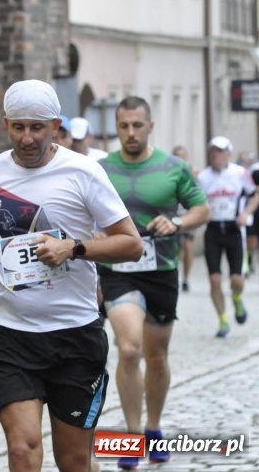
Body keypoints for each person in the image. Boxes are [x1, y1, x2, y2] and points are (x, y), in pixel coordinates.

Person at [0, 80, 143, 472]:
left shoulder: (83, 172)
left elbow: (131, 243)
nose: (27, 138)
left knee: (74, 461)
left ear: (55, 126)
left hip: (74, 334)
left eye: (37, 128)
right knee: (23, 450)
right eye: (18, 127)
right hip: (13, 336)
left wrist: (73, 247)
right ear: (6, 124)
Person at [97, 97, 210, 470]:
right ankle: (129, 439)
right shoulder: (100, 169)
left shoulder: (173, 168)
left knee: (157, 357)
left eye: (137, 125)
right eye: (124, 126)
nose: (130, 132)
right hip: (117, 272)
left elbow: (201, 209)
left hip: (160, 270)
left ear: (150, 126)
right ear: (117, 127)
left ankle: (153, 428)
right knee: (129, 350)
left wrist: (177, 223)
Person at [196, 136, 259, 337]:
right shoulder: (203, 177)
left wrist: (246, 214)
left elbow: (255, 196)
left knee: (237, 280)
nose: (216, 155)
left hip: (234, 229)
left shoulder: (240, 173)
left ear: (228, 153)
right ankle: (223, 321)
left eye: (220, 151)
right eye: (213, 151)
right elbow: (196, 201)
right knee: (214, 280)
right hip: (212, 230)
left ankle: (237, 299)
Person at [172, 145, 198, 291]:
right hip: (173, 215)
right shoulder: (168, 170)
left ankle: (186, 279)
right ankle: (174, 275)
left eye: (182, 155)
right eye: (177, 155)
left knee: (188, 247)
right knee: (175, 249)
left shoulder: (193, 171)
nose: (180, 158)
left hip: (188, 215)